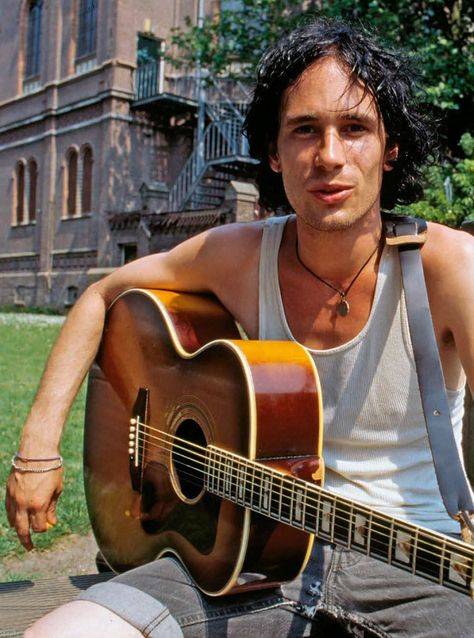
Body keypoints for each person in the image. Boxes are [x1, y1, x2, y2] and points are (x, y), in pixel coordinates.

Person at [6, 17, 474, 638]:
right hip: (247, 555)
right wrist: (37, 446)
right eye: (305, 129)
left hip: (416, 569)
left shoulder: (449, 268)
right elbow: (99, 296)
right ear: (275, 153)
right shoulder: (240, 256)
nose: (329, 156)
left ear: (389, 148)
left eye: (354, 128)